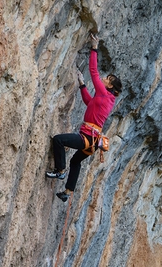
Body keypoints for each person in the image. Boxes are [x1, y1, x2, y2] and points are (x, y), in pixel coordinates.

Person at [46, 33, 122, 202]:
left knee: (58, 140)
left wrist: (94, 48)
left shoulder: (104, 93)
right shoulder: (106, 99)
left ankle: (60, 171)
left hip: (87, 137)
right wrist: (82, 85)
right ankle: (67, 192)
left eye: (106, 79)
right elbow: (89, 102)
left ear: (109, 86)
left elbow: (94, 72)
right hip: (93, 141)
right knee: (76, 162)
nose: (103, 79)